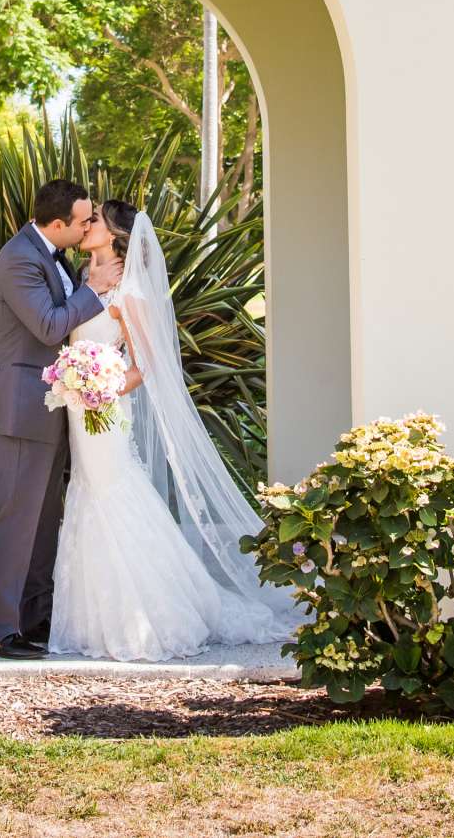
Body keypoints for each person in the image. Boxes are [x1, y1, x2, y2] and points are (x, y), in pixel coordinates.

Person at [46, 201, 293, 661]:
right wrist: (74, 382)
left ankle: (148, 615)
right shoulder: (83, 280)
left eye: (95, 219)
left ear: (116, 235)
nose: (86, 224)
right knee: (88, 493)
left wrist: (105, 388)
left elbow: (147, 362)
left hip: (106, 409)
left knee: (113, 493)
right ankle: (92, 616)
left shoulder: (129, 291)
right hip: (79, 409)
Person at [0, 178, 107, 660]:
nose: (91, 224)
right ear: (57, 224)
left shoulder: (57, 255)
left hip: (49, 406)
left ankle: (32, 619)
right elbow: (49, 324)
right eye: (84, 220)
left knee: (44, 520)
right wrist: (93, 290)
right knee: (16, 519)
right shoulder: (18, 259)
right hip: (20, 406)